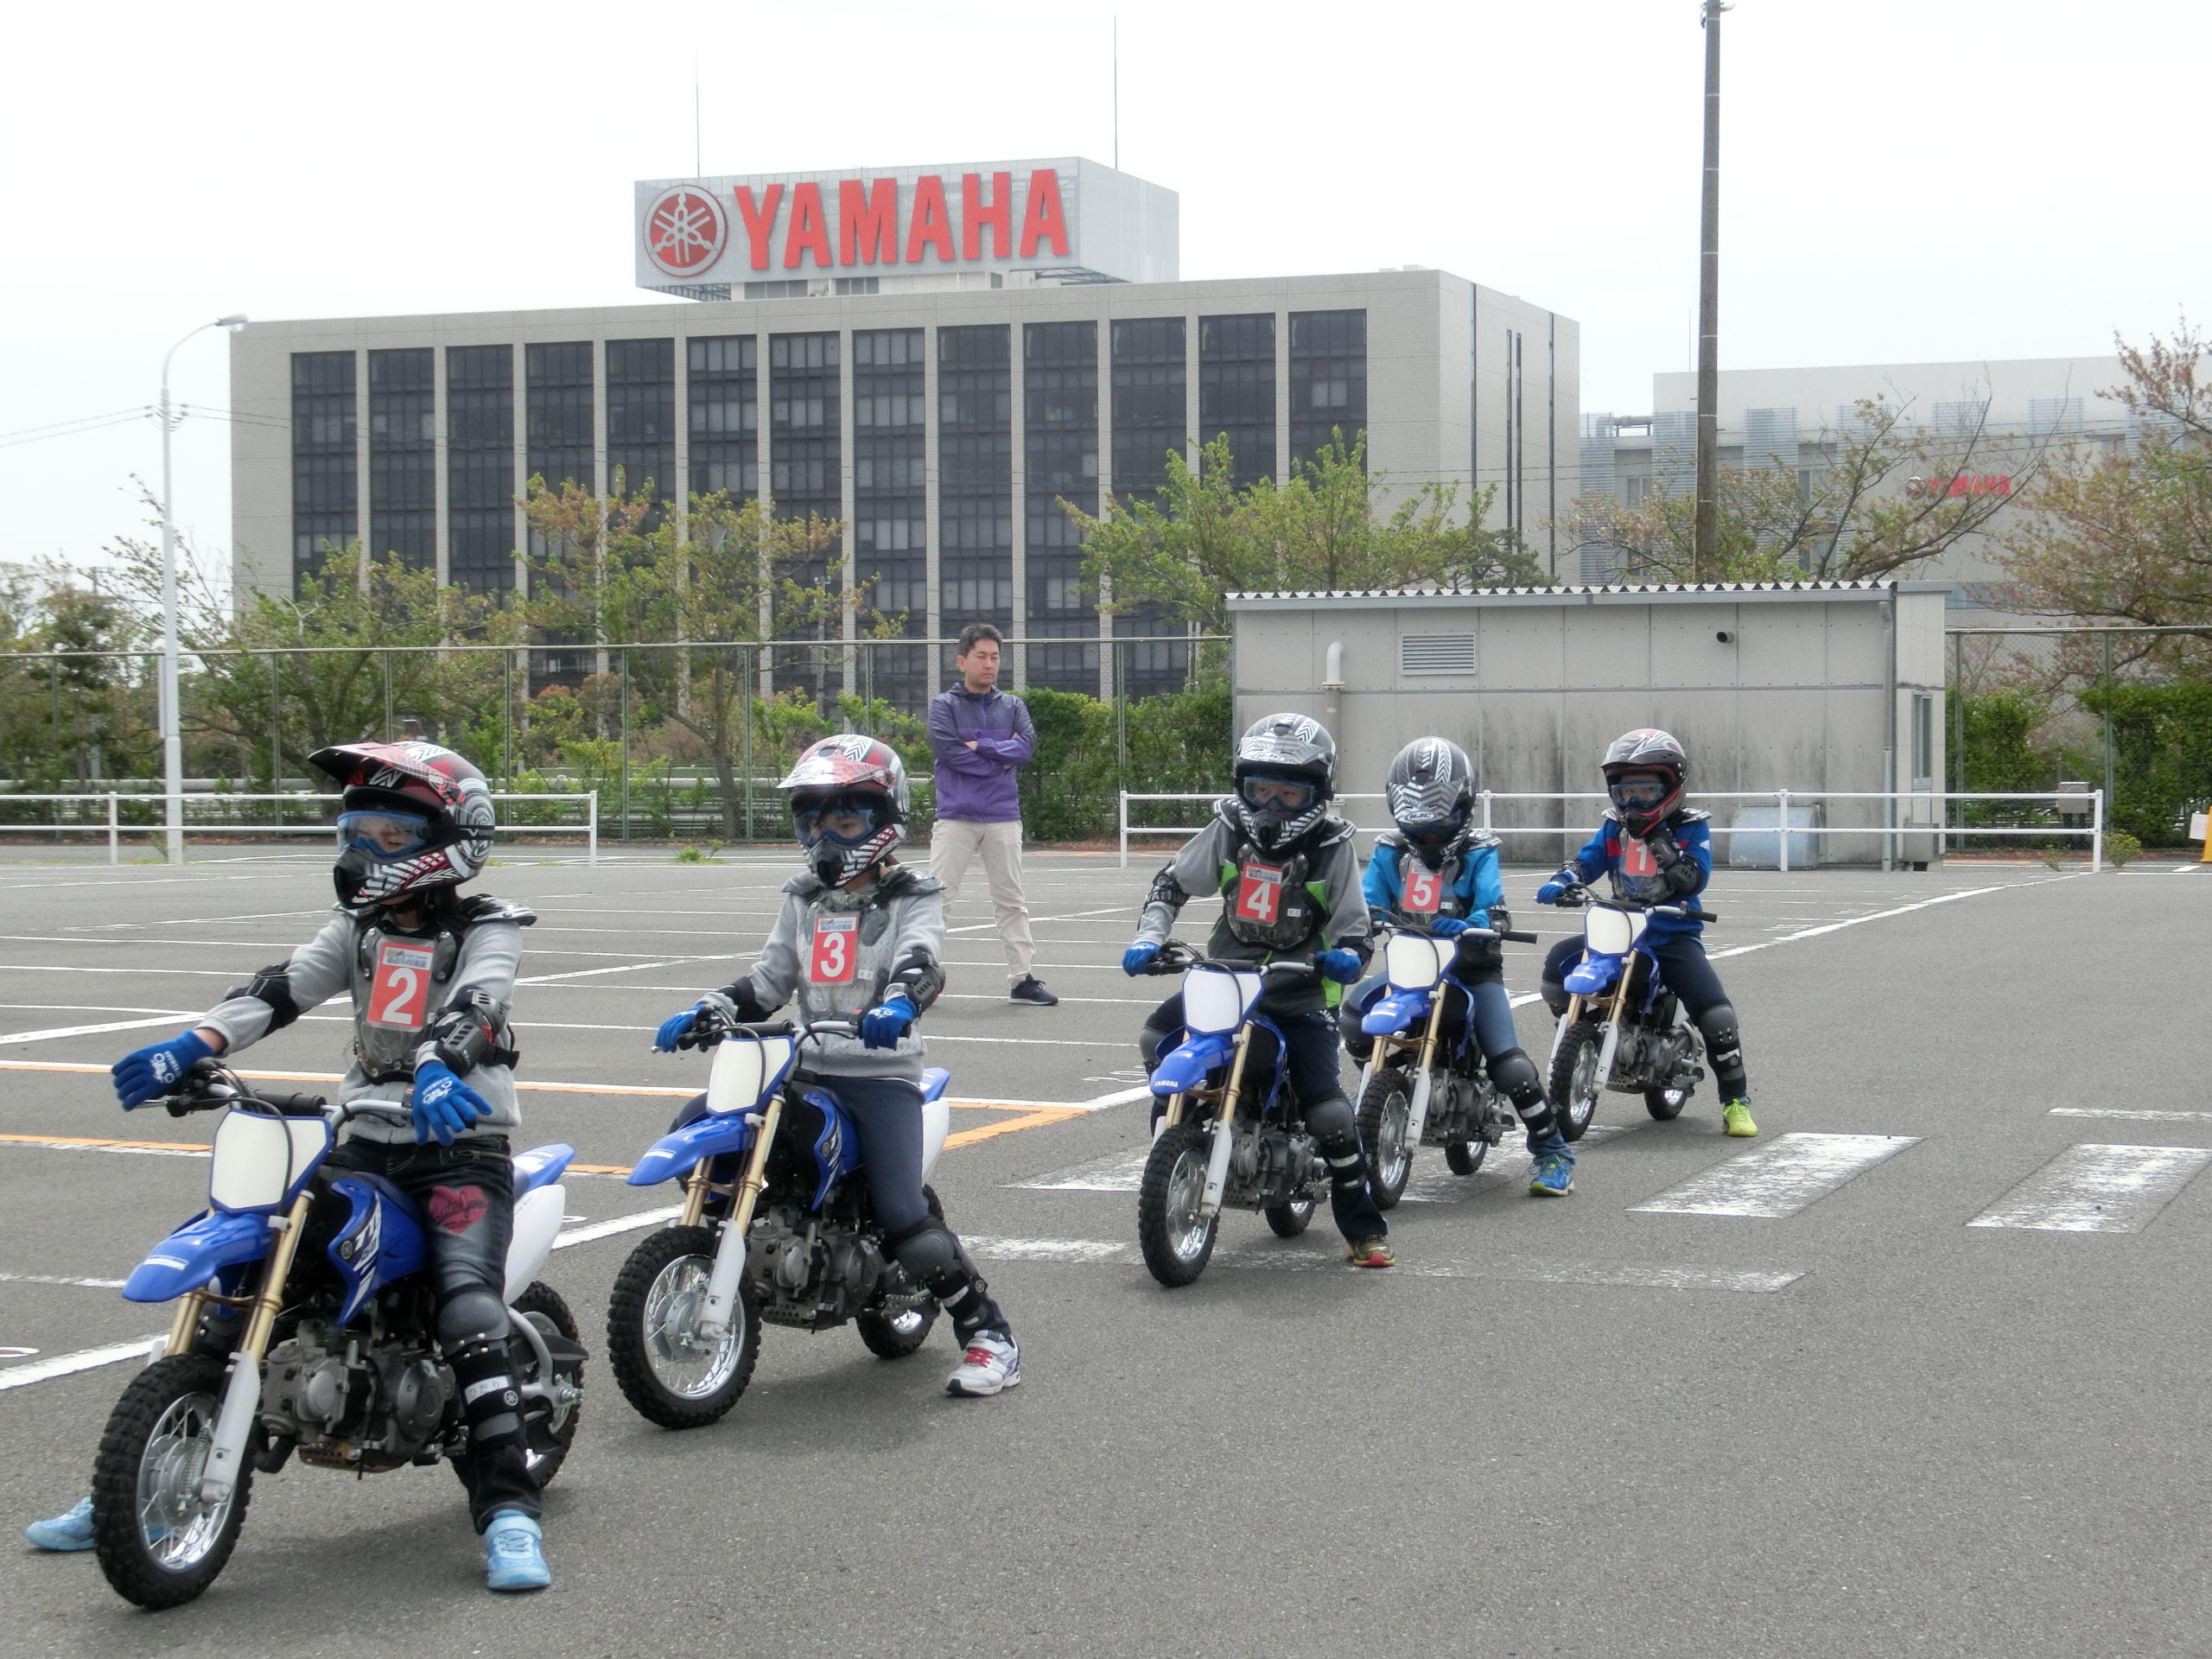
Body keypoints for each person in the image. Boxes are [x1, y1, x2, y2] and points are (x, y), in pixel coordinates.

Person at [25, 741, 553, 1592]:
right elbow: (282, 990)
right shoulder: (358, 928)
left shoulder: (484, 925)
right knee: (249, 1280)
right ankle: (138, 1485)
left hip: (458, 1152)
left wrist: (436, 1066)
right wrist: (191, 1046)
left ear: (450, 839)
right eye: (357, 831)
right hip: (361, 1141)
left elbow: (480, 1006)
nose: (363, 851)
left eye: (388, 833)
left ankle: (509, 1512)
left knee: (467, 1313)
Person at [652, 734, 1020, 1396]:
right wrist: (709, 1006)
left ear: (884, 820)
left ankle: (989, 1333)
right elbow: (769, 980)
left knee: (903, 1212)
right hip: (803, 1065)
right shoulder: (803, 897)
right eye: (814, 820)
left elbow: (921, 959)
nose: (827, 836)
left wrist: (902, 1002)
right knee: (697, 1120)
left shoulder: (913, 893)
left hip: (880, 1073)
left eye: (845, 820)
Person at [1120, 712, 1395, 1268]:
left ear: (1316, 792)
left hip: (1297, 993)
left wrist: (1346, 959)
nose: (1272, 803)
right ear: (1242, 784)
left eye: (1289, 791)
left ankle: (1363, 1230)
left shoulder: (1332, 845)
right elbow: (1173, 882)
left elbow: (1355, 924)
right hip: (1224, 979)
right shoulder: (1226, 829)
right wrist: (1151, 936)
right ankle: (1181, 1141)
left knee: (1330, 1117)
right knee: (1156, 1037)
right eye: (1260, 788)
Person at [1340, 737, 1577, 1195]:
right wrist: (1362, 922)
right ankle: (1377, 1087)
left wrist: (1475, 922)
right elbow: (1368, 902)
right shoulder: (1391, 848)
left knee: (1508, 1065)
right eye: (1417, 824)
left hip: (1471, 968)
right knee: (1354, 1017)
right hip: (1411, 967)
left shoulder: (1478, 848)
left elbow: (1494, 904)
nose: (1428, 834)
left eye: (1440, 822)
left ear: (1464, 806)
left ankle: (1553, 1150)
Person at [1535, 728, 1757, 1138]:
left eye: (1645, 791)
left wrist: (1656, 836)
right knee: (1556, 964)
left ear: (1671, 787)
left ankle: (1736, 1101)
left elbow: (1692, 878)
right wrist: (1564, 879)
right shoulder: (1613, 828)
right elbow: (1590, 860)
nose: (1633, 802)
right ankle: (1579, 1037)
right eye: (1625, 792)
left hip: (1671, 935)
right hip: (1618, 931)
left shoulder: (1691, 827)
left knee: (1716, 1013)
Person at [926, 623, 1056, 1007]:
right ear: (962, 661)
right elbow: (951, 754)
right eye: (981, 656)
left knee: (1011, 901)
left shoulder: (1013, 705)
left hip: (1002, 817)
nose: (989, 664)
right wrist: (999, 756)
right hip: (956, 817)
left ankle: (1022, 979)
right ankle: (917, 975)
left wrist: (980, 745)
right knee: (936, 900)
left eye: (995, 657)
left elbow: (1026, 750)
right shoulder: (943, 706)